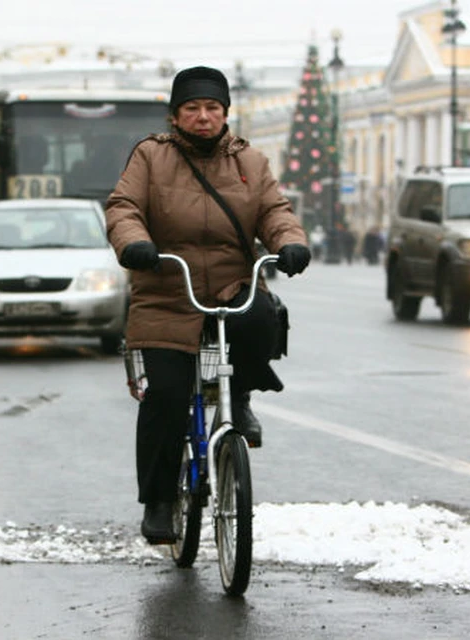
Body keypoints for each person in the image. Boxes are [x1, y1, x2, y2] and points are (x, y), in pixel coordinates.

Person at [106, 66, 311, 544]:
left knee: (261, 315)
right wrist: (134, 243)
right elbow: (124, 208)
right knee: (168, 396)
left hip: (227, 285)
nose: (203, 117)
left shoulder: (249, 161)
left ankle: (239, 397)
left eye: (212, 109)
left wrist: (291, 242)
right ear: (176, 115)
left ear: (225, 114)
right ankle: (159, 500)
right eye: (193, 108)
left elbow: (274, 211)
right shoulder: (150, 157)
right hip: (166, 289)